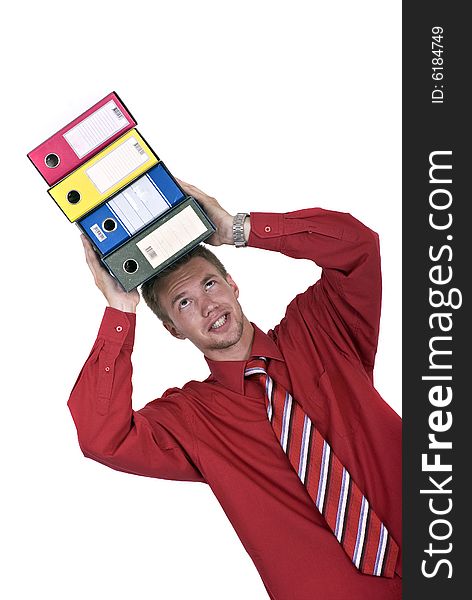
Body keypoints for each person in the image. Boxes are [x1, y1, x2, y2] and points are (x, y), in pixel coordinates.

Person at [69, 180, 402, 600]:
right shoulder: (190, 419)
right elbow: (102, 436)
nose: (208, 306)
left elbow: (359, 248)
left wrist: (238, 229)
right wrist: (120, 311)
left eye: (209, 284)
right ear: (173, 329)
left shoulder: (319, 328)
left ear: (232, 284)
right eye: (184, 303)